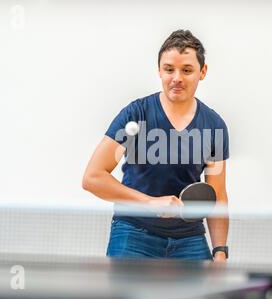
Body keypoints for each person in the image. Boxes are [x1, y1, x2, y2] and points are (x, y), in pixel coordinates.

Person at [82, 30, 229, 262]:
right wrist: (149, 202)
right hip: (133, 233)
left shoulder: (214, 127)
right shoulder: (135, 115)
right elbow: (93, 178)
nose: (177, 78)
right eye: (169, 69)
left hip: (189, 239)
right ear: (159, 70)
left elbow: (218, 196)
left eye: (187, 70)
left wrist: (220, 251)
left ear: (203, 72)